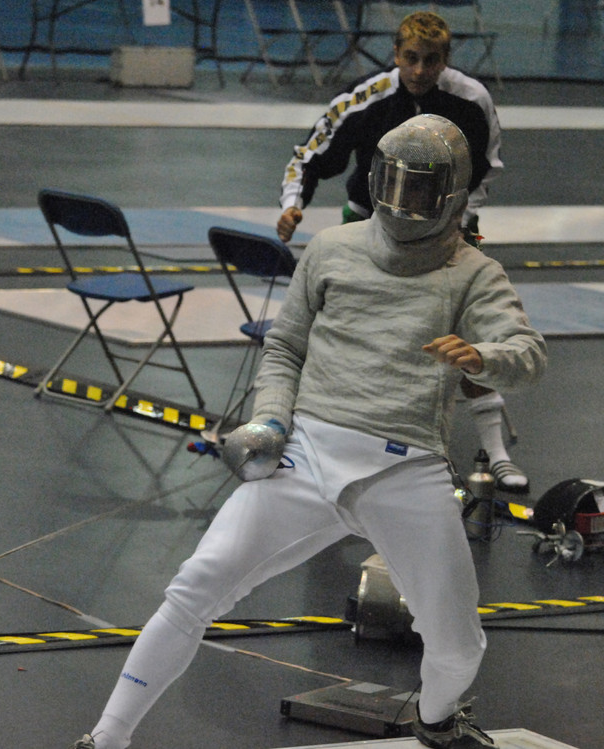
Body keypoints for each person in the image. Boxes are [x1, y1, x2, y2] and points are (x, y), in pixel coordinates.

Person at [69, 115, 546, 749]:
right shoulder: (331, 248)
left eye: (420, 189)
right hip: (310, 452)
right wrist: (271, 417)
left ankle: (435, 721)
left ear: (452, 196)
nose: (402, 202)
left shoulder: (474, 272)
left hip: (406, 467)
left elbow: (528, 353)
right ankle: (105, 738)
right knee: (194, 588)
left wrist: (484, 357)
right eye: (393, 183)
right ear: (374, 180)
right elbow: (285, 347)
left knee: (459, 645)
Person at [275, 11, 527, 495]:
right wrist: (292, 205)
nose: (419, 70)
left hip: (449, 233)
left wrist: (461, 219)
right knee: (348, 329)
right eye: (410, 58)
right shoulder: (366, 96)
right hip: (366, 229)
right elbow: (311, 153)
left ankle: (496, 452)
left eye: (431, 60)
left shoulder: (472, 99)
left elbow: (485, 169)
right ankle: (334, 433)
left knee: (463, 336)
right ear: (395, 54)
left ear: (445, 59)